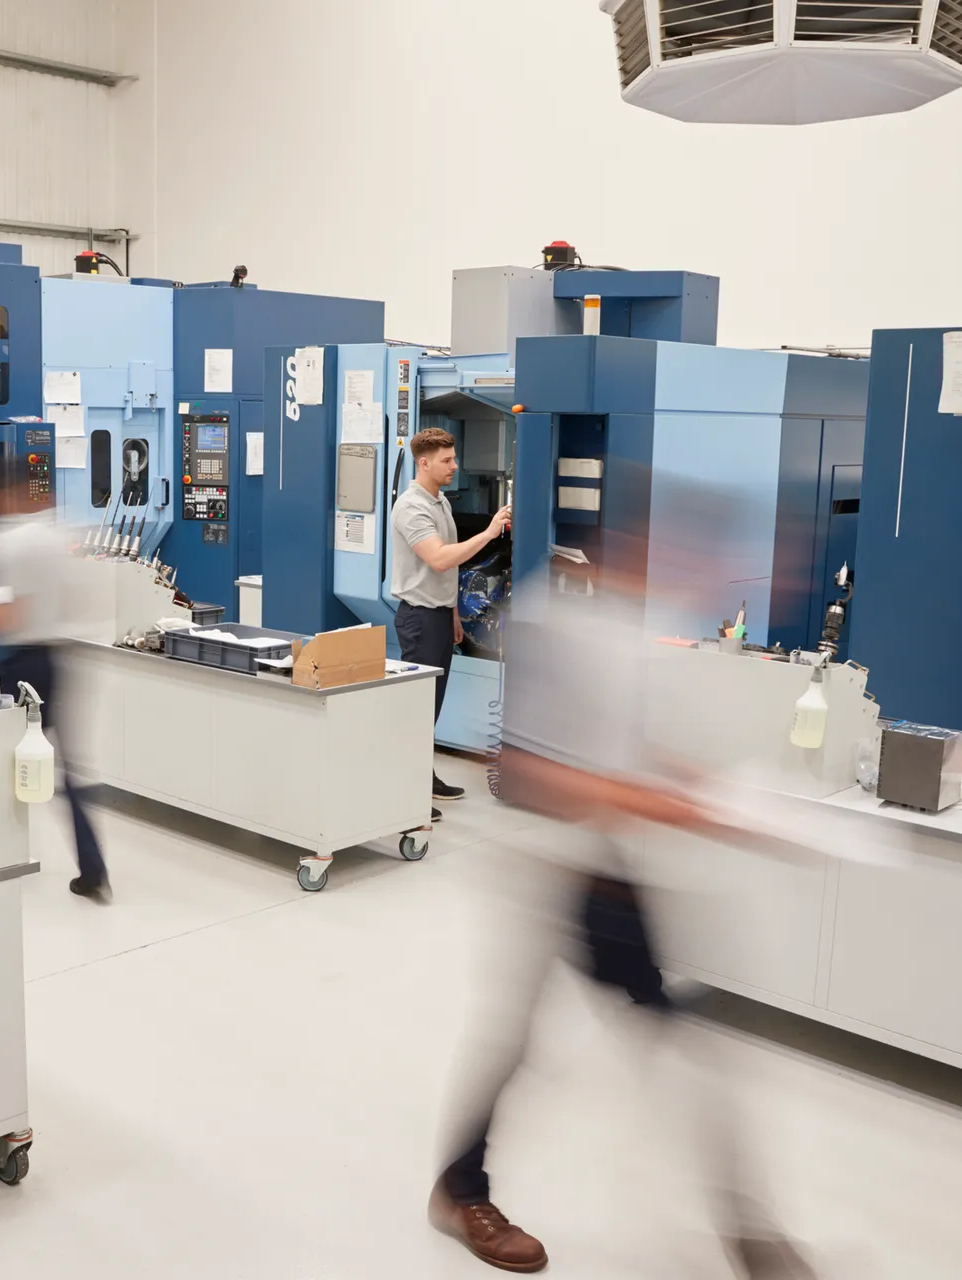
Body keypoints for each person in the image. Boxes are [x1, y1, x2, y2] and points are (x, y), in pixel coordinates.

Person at [429, 512, 812, 1278]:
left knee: (670, 1042)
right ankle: (459, 1189)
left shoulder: (627, 634)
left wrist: (718, 795)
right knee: (525, 1043)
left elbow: (623, 743)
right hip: (546, 874)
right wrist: (668, 806)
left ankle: (747, 1229)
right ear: (632, 553)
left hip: (604, 872)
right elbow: (530, 770)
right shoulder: (550, 623)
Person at [0, 477, 110, 900]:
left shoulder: (17, 544)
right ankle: (93, 870)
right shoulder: (59, 539)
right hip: (59, 659)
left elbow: (6, 617)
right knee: (67, 772)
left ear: (10, 494)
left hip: (25, 664)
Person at [390, 427, 511, 815]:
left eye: (454, 459)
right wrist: (492, 532)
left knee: (433, 706)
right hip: (419, 620)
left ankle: (422, 778)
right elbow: (440, 558)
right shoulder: (411, 508)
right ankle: (406, 790)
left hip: (440, 617)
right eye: (447, 460)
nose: (454, 466)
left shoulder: (439, 502)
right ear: (423, 463)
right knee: (418, 708)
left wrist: (454, 613)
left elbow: (448, 572)